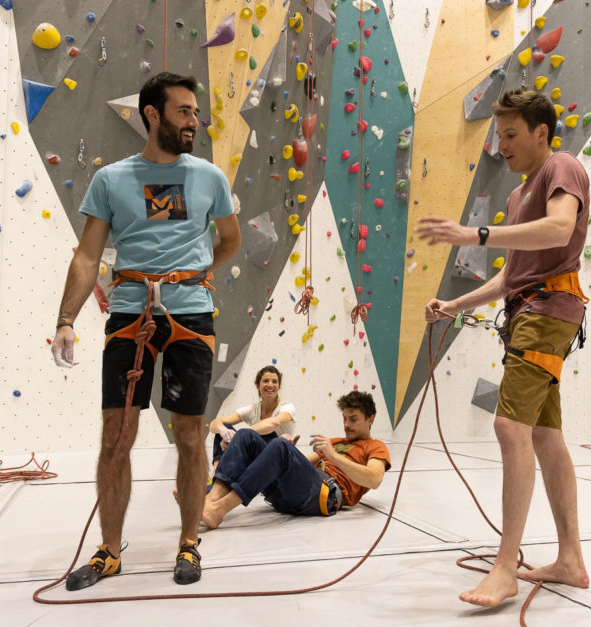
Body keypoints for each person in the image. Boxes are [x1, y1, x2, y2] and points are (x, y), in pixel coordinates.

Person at [49, 72, 241, 589]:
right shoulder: (111, 179)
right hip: (131, 315)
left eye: (195, 113)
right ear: (152, 114)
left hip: (191, 317)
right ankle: (109, 552)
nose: (193, 122)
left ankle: (188, 544)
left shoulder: (209, 177)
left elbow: (229, 240)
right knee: (116, 435)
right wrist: (66, 320)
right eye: (183, 111)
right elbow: (88, 256)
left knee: (190, 436)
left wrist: (195, 276)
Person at [417, 89, 590, 607]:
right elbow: (510, 279)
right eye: (499, 134)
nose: (502, 144)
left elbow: (560, 228)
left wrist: (474, 231)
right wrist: (455, 303)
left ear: (541, 131)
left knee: (508, 426)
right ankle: (571, 559)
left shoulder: (563, 166)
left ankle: (504, 567)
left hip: (547, 314)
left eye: (510, 134)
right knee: (543, 435)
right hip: (528, 311)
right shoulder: (518, 197)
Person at [200, 391, 389, 528]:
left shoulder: (375, 446)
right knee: (245, 435)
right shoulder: (335, 442)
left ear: (370, 419)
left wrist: (332, 456)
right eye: (344, 418)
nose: (346, 425)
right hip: (292, 494)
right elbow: (306, 464)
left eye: (353, 419)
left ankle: (218, 511)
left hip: (323, 496)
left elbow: (373, 479)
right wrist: (290, 454)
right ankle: (212, 497)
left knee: (279, 446)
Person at [208, 365, 298, 464]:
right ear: (258, 385)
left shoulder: (287, 407)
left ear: (279, 386)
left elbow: (274, 423)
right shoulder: (252, 409)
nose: (270, 384)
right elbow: (214, 424)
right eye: (266, 381)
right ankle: (215, 474)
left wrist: (238, 436)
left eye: (274, 381)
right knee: (224, 429)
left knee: (267, 435)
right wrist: (223, 431)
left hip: (277, 458)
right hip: (256, 457)